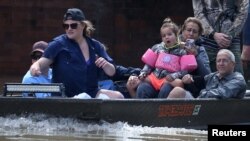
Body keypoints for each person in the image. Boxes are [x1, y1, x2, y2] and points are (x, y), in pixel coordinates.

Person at [29, 8, 124, 99]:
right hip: (66, 96)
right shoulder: (58, 44)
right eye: (66, 26)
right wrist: (35, 67)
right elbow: (41, 62)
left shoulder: (95, 45)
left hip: (91, 93)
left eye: (73, 25)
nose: (69, 29)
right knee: (83, 98)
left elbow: (112, 72)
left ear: (82, 25)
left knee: (118, 96)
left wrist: (105, 64)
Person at [126, 17, 211, 98]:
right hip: (155, 79)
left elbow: (206, 76)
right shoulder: (159, 47)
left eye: (194, 31)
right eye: (188, 30)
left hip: (179, 84)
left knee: (166, 89)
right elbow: (149, 65)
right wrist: (140, 74)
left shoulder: (196, 50)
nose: (191, 34)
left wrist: (195, 56)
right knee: (142, 87)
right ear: (182, 31)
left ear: (199, 35)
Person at [192, 0, 249, 74]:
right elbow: (198, 13)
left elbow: (243, 11)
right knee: (208, 76)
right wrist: (213, 34)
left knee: (237, 74)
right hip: (208, 39)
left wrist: (230, 35)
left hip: (231, 39)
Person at [167, 49, 247, 99]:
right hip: (204, 108)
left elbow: (222, 94)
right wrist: (189, 78)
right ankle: (163, 124)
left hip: (224, 114)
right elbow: (199, 80)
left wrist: (202, 93)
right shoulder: (214, 75)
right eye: (218, 61)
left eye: (225, 61)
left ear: (233, 64)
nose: (221, 63)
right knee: (178, 91)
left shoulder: (238, 79)